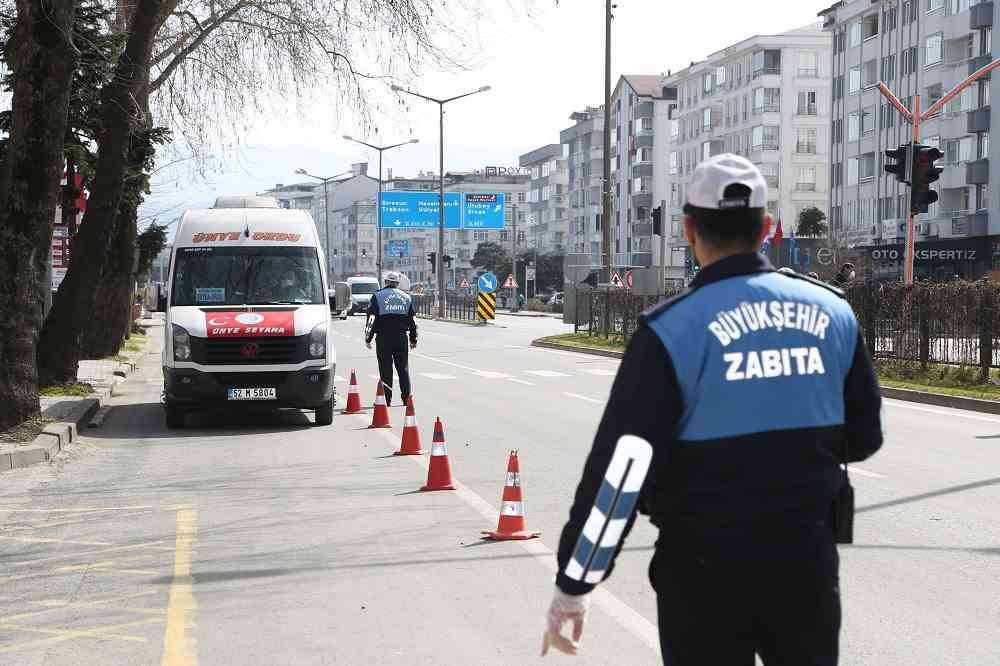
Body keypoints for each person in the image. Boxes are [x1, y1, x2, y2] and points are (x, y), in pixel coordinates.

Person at [542, 154, 883, 665]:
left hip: (701, 572)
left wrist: (576, 582)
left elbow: (622, 475)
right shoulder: (832, 312)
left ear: (688, 229)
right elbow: (865, 436)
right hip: (805, 563)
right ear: (767, 228)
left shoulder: (670, 330)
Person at [365, 272, 417, 406]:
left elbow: (371, 319)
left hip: (384, 339)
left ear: (386, 282)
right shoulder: (406, 297)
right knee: (403, 369)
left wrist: (368, 338)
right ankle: (406, 399)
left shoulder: (377, 296)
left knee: (385, 370)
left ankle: (386, 400)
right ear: (398, 284)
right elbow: (412, 321)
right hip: (401, 338)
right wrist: (413, 339)